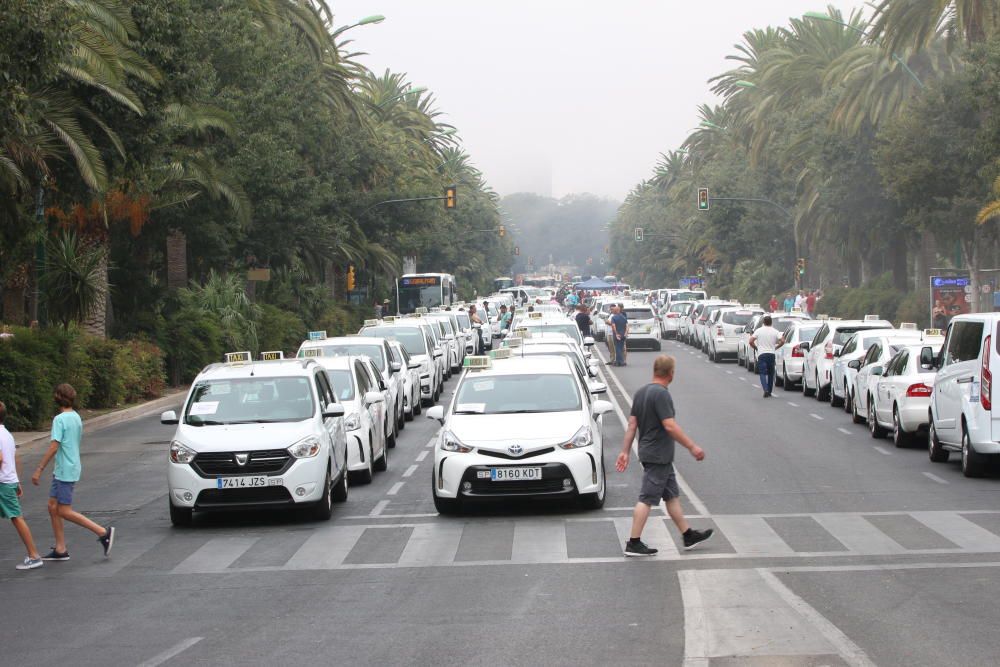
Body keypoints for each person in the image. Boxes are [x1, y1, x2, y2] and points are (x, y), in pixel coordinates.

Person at [615, 355, 713, 556]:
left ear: (654, 370)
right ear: (671, 373)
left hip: (654, 454)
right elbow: (669, 425)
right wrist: (691, 446)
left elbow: (632, 424)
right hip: (657, 454)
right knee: (647, 498)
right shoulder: (661, 394)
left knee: (671, 496)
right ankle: (633, 542)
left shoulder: (642, 393)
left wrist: (625, 451)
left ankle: (688, 535)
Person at [31, 384, 115, 560]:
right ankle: (61, 549)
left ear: (58, 397)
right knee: (52, 507)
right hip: (66, 467)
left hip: (65, 470)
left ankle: (102, 532)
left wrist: (39, 469)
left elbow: (55, 446)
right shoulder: (76, 417)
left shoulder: (59, 419)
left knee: (64, 511)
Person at [0, 400, 43, 570]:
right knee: (16, 517)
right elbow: (14, 459)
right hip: (8, 482)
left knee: (17, 518)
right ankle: (33, 555)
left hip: (2, 484)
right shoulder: (7, 434)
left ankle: (34, 555)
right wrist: (16, 481)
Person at [750, 315, 784, 398]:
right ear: (771, 322)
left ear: (763, 322)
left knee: (762, 373)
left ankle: (765, 390)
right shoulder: (775, 331)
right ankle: (769, 391)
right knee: (771, 373)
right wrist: (776, 347)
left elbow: (751, 341)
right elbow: (782, 340)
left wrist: (756, 348)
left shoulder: (758, 331)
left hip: (761, 354)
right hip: (771, 354)